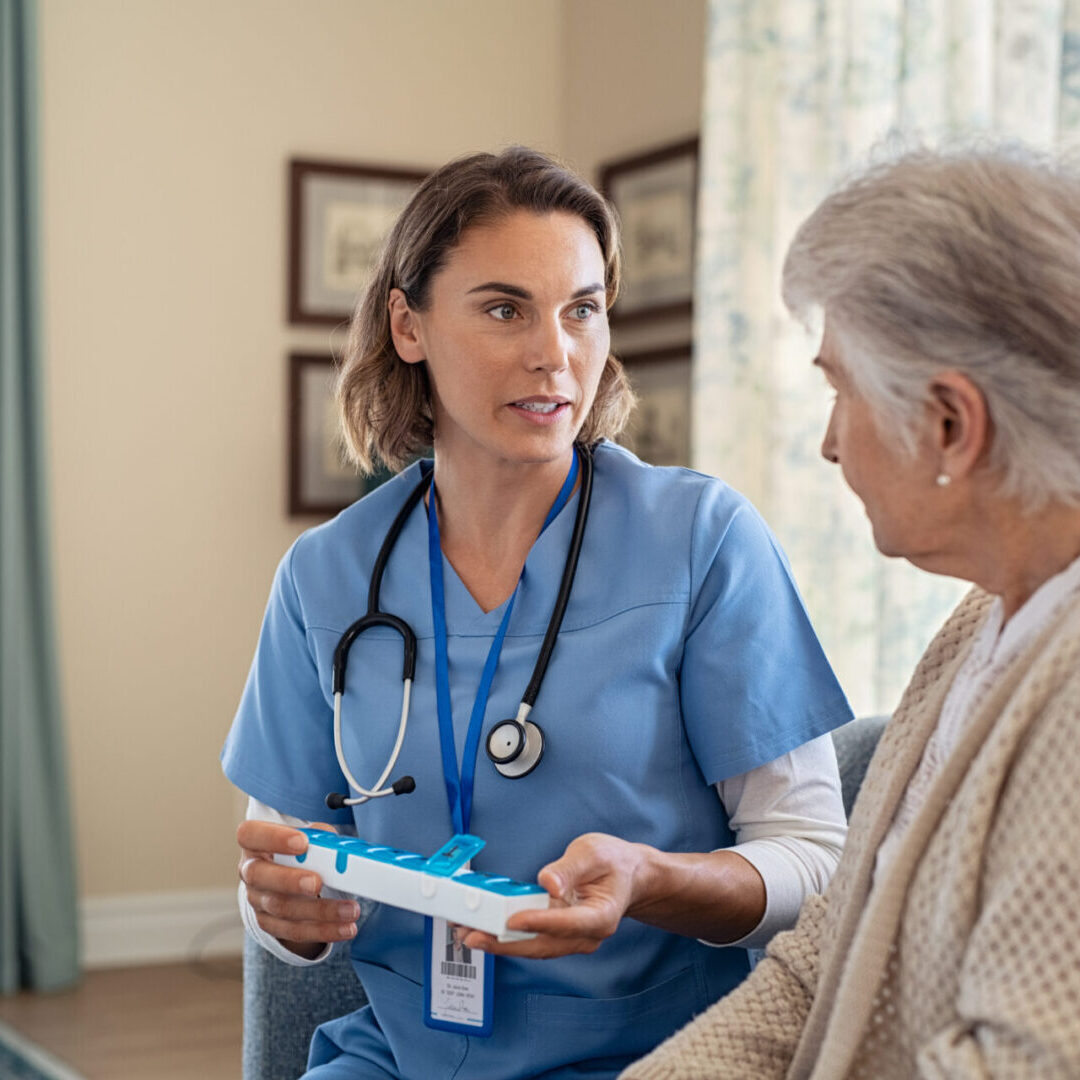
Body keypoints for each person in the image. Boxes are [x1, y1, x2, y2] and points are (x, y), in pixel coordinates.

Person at [222, 147, 853, 1080]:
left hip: (656, 1056)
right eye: (505, 308)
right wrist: (286, 914)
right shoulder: (326, 576)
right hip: (402, 1054)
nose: (555, 353)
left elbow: (812, 862)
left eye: (582, 310)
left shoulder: (700, 539)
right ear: (409, 325)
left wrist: (649, 880)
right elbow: (283, 856)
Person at [622, 144, 1080, 1080]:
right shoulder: (978, 627)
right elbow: (818, 963)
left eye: (841, 390)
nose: (830, 444)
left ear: (951, 423)